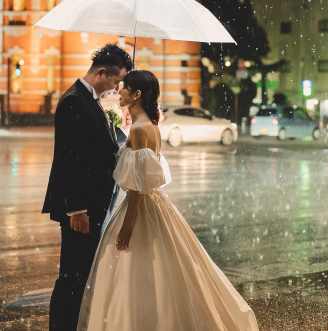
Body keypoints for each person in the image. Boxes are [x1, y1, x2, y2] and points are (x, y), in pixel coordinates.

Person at [77, 70, 259, 331]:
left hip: (139, 209)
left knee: (135, 275)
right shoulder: (149, 126)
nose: (119, 90)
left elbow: (139, 187)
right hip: (156, 205)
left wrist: (127, 228)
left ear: (137, 94)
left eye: (125, 87)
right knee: (165, 272)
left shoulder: (141, 130)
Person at [42, 43, 133, 331]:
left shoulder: (89, 100)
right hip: (81, 209)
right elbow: (70, 159)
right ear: (102, 73)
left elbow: (98, 149)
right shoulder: (75, 101)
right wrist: (77, 209)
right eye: (116, 82)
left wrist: (124, 131)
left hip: (91, 205)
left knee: (80, 272)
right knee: (72, 274)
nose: (117, 89)